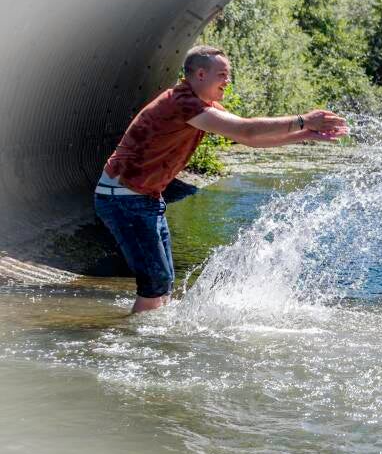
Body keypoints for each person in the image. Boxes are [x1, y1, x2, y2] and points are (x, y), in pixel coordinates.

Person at [95, 45, 349, 314]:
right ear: (201, 74)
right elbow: (248, 130)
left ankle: (150, 336)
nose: (228, 81)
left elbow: (246, 138)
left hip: (145, 198)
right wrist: (303, 120)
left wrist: (306, 134)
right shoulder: (183, 103)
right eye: (223, 74)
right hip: (122, 198)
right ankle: (133, 342)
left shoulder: (203, 105)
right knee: (155, 284)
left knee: (164, 283)